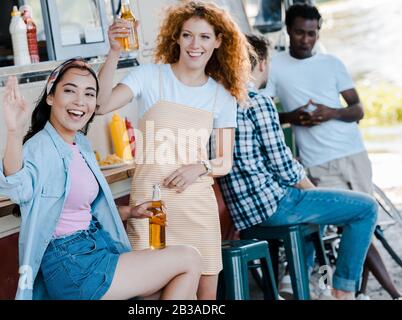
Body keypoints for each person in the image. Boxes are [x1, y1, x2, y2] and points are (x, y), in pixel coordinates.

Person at [0, 58, 202, 300]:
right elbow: (17, 188)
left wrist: (130, 212)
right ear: (51, 97)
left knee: (161, 292)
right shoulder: (38, 147)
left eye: (89, 94)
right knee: (190, 259)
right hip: (72, 263)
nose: (80, 101)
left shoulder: (80, 144)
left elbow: (79, 208)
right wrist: (13, 132)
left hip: (95, 248)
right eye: (70, 91)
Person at [96, 1, 253, 299]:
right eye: (188, 35)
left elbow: (224, 160)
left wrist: (200, 167)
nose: (196, 45)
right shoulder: (149, 76)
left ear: (218, 41)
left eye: (205, 37)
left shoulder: (222, 96)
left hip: (196, 207)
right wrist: (114, 52)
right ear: (177, 38)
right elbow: (101, 105)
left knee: (204, 300)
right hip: (152, 207)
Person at [218, 33, 378, 300]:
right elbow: (284, 167)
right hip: (273, 206)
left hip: (245, 213)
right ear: (260, 64)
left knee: (313, 215)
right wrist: (310, 189)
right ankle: (344, 290)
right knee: (365, 208)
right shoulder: (257, 101)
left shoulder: (220, 101)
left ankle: (295, 283)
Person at [262, 3, 401, 300]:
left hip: (353, 154)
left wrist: (331, 112)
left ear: (318, 32)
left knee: (366, 228)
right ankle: (384, 291)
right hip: (317, 163)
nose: (306, 39)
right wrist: (293, 117)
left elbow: (358, 109)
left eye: (312, 33)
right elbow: (264, 111)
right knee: (346, 223)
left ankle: (365, 291)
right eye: (299, 32)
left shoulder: (332, 63)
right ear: (288, 30)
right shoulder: (275, 65)